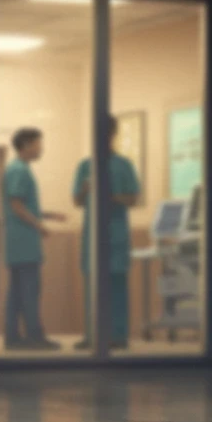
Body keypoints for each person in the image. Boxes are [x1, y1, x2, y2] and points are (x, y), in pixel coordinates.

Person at [71, 115, 141, 350]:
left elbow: (133, 197)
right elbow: (77, 201)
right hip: (93, 235)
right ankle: (93, 336)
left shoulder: (124, 165)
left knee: (117, 286)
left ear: (113, 134)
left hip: (117, 234)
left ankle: (118, 336)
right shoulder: (85, 166)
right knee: (93, 285)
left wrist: (111, 197)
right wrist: (85, 189)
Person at [2, 127, 65, 350]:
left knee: (18, 292)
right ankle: (34, 337)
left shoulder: (16, 169)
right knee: (28, 291)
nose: (41, 149)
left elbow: (23, 205)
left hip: (18, 243)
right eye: (39, 144)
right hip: (24, 243)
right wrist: (40, 226)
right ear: (27, 144)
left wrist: (48, 215)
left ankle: (13, 338)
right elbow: (17, 205)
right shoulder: (19, 170)